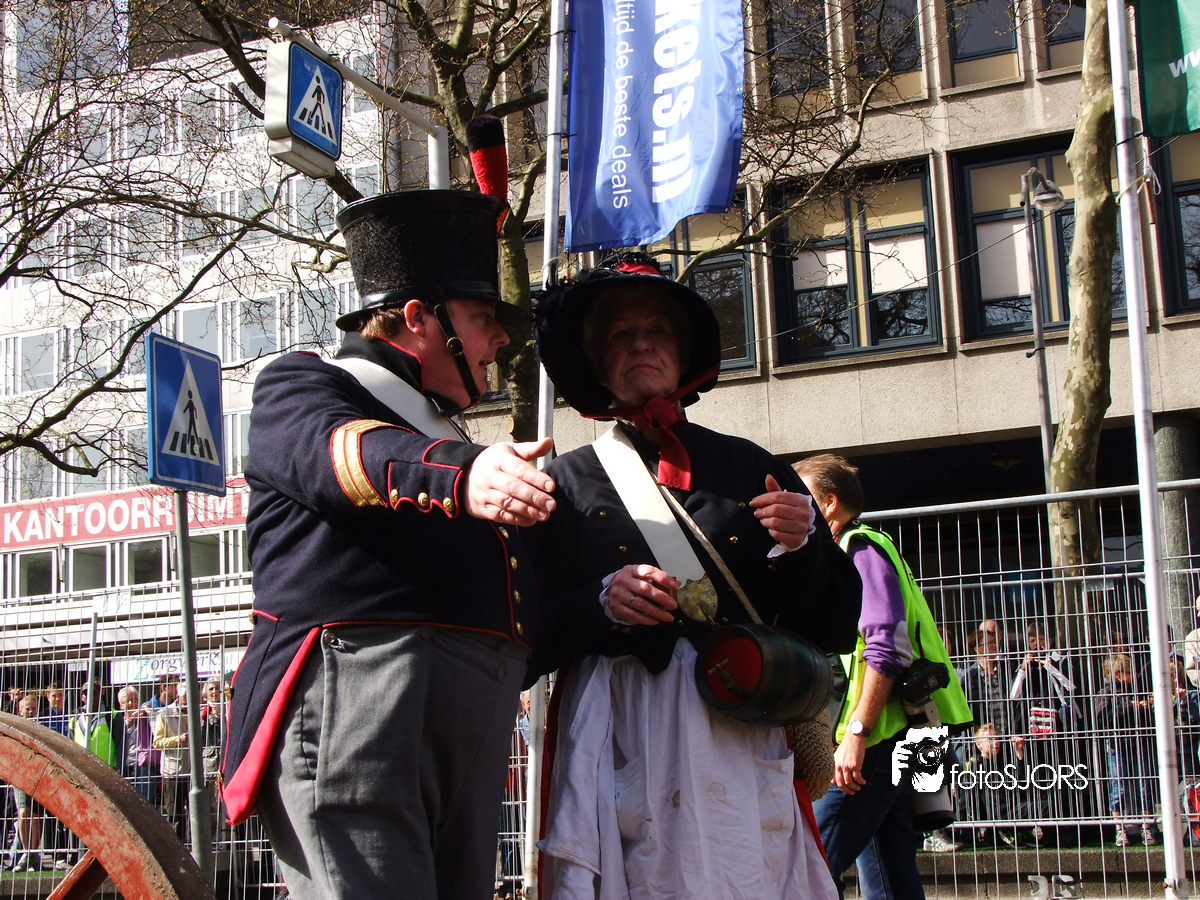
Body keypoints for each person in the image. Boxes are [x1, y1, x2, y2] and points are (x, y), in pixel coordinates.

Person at [220, 190, 556, 900]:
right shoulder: (308, 383)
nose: (500, 341)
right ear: (417, 317)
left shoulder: (447, 435)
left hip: (462, 712)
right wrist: (462, 474)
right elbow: (342, 453)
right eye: (484, 319)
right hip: (362, 702)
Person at [527, 253, 862, 900]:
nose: (641, 344)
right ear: (598, 363)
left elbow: (833, 626)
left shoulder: (753, 466)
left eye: (656, 329)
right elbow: (524, 637)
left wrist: (802, 549)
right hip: (621, 729)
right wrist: (601, 605)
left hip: (740, 726)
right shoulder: (562, 485)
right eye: (621, 334)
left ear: (682, 356)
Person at [795, 453, 971, 898]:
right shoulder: (859, 548)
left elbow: (887, 647)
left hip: (875, 738)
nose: (792, 503)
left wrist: (856, 733)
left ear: (829, 503)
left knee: (808, 870)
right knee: (890, 870)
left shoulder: (859, 551)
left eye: (801, 495)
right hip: (901, 731)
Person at [1095, 652, 1159, 846]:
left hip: (1140, 744)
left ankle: (1147, 827)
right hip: (1118, 746)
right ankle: (1119, 828)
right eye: (1129, 672)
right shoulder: (1106, 694)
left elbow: (1149, 720)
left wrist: (1148, 706)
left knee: (1144, 785)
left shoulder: (1138, 690)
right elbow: (1103, 719)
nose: (1134, 675)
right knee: (1119, 787)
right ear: (1116, 674)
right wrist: (1130, 707)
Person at [8, 693, 45, 872]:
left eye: (33, 709)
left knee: (36, 815)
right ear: (20, 710)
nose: (31, 712)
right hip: (21, 775)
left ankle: (33, 855)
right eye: (27, 709)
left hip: (39, 775)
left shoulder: (42, 728)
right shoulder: (15, 728)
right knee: (23, 812)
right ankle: (26, 852)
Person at [153, 677, 191, 842]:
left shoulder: (199, 712)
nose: (188, 701)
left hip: (194, 771)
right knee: (175, 814)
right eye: (185, 698)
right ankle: (177, 846)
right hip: (173, 772)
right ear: (178, 697)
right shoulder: (164, 714)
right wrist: (178, 739)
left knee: (196, 813)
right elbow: (157, 742)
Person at [116, 685, 159, 807]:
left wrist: (149, 715)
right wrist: (130, 721)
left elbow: (158, 731)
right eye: (127, 701)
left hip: (145, 765)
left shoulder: (146, 716)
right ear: (121, 705)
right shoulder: (118, 721)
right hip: (125, 766)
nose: (131, 704)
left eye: (134, 700)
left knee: (144, 803)